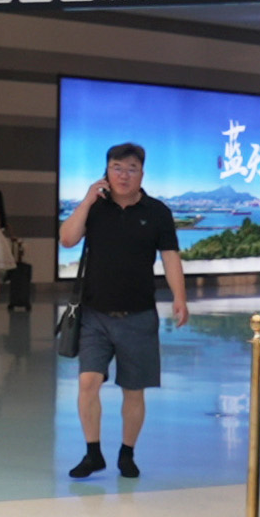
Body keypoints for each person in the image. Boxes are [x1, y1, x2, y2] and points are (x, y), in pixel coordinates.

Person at [58, 142, 188, 479]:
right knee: (88, 382)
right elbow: (67, 239)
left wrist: (180, 297)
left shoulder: (157, 212)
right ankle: (92, 453)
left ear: (142, 173)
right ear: (106, 171)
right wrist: (87, 200)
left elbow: (170, 257)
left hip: (139, 314)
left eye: (131, 168)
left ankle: (127, 453)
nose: (124, 175)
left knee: (133, 390)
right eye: (117, 168)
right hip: (94, 314)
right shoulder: (95, 208)